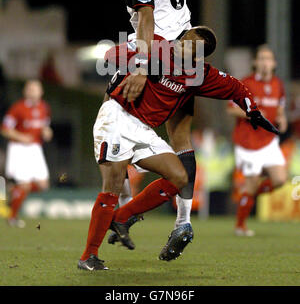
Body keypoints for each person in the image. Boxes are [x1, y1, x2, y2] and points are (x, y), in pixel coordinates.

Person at [78, 27, 278, 271]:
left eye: (193, 46)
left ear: (199, 56)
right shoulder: (154, 45)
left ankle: (121, 218)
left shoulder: (198, 74)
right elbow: (110, 56)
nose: (184, 44)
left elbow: (236, 87)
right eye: (186, 39)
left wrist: (252, 110)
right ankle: (89, 256)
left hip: (144, 129)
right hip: (117, 116)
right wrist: (140, 62)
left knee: (179, 176)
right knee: (114, 183)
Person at [105, 0, 213, 259]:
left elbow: (146, 19)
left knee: (115, 127)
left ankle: (121, 211)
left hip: (159, 58)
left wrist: (139, 68)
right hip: (189, 54)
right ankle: (183, 221)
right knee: (181, 139)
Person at [227, 45, 288, 236]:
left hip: (268, 141)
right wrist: (250, 113)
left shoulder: (278, 84)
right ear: (255, 62)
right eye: (261, 58)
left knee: (280, 180)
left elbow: (279, 107)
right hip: (248, 142)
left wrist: (282, 118)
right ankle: (240, 226)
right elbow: (230, 108)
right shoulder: (246, 83)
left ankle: (249, 195)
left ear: (274, 63)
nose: (264, 62)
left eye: (268, 58)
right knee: (251, 183)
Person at [1, 80, 53, 227]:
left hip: (35, 149)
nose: (33, 91)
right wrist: (20, 137)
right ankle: (12, 217)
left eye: (36, 89)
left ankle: (13, 191)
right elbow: (5, 129)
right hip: (18, 149)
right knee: (24, 185)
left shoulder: (44, 107)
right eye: (30, 89)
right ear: (25, 92)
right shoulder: (17, 108)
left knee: (43, 185)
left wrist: (47, 132)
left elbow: (45, 126)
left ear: (41, 92)